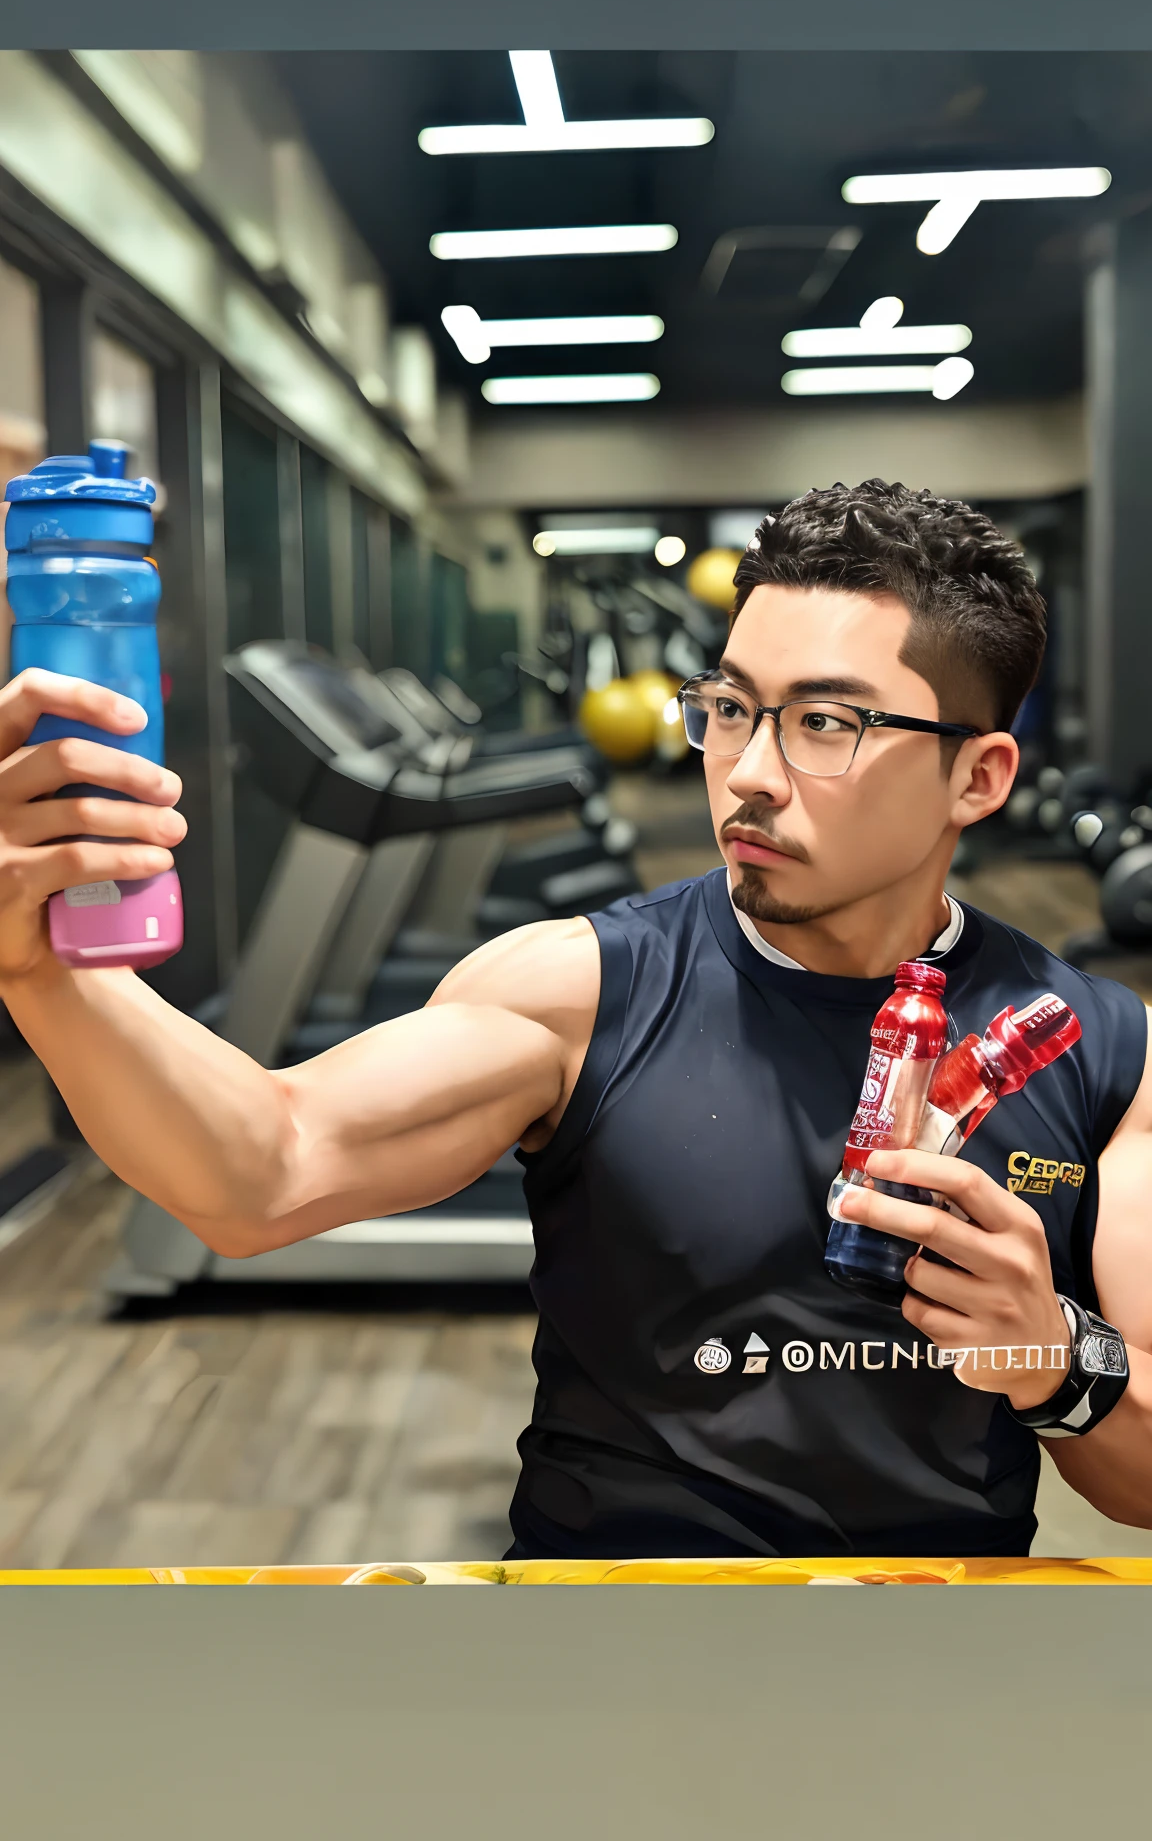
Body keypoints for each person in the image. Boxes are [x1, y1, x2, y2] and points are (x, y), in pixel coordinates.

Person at [1, 479, 1149, 1559]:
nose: (748, 770)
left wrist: (1055, 1356)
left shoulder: (1102, 1047)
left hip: (935, 1659)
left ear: (980, 776)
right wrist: (39, 972)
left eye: (826, 723)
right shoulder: (578, 992)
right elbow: (261, 1169)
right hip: (605, 1638)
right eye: (732, 708)